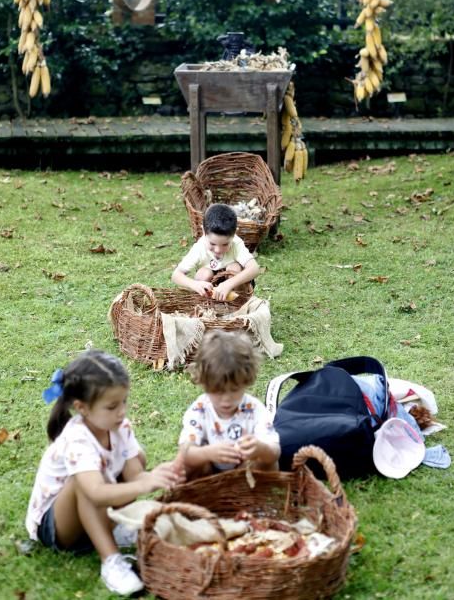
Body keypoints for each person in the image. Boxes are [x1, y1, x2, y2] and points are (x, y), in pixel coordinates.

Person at [26, 349, 185, 596]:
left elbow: (134, 476)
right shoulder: (77, 437)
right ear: (82, 408)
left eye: (124, 401)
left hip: (92, 507)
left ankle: (111, 527)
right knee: (86, 484)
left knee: (138, 459)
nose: (122, 411)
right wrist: (144, 485)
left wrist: (159, 476)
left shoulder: (119, 426)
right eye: (112, 406)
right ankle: (111, 562)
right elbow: (95, 492)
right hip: (56, 528)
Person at [178, 330, 280, 479]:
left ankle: (250, 497)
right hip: (208, 475)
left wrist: (260, 449)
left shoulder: (255, 410)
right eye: (217, 391)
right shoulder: (200, 409)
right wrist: (208, 453)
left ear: (246, 381)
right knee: (184, 467)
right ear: (204, 384)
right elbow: (185, 453)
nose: (226, 399)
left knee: (267, 463)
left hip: (244, 473)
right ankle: (203, 497)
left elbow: (274, 452)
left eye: (234, 390)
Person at [171, 203, 260, 301]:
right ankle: (207, 304)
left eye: (225, 244)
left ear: (234, 234)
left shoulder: (236, 243)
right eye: (212, 244)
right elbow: (176, 275)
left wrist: (228, 284)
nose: (218, 250)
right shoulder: (199, 248)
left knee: (234, 268)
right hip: (211, 286)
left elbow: (254, 268)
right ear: (204, 232)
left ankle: (239, 303)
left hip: (234, 286)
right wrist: (194, 284)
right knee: (204, 273)